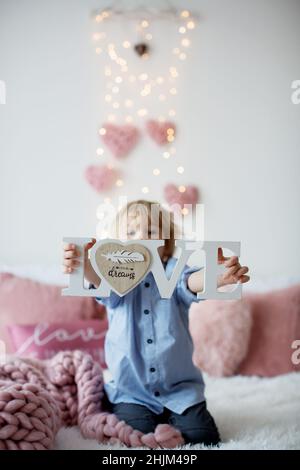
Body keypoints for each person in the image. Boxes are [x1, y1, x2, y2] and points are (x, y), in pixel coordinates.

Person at [62, 200, 250, 446]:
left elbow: (191, 282)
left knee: (204, 436)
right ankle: (160, 432)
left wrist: (216, 276)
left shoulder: (173, 272)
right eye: (131, 233)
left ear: (167, 243)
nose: (142, 238)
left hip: (180, 389)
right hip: (131, 390)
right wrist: (83, 264)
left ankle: (177, 435)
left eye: (151, 232)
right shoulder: (118, 278)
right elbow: (100, 282)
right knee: (134, 434)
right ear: (118, 245)